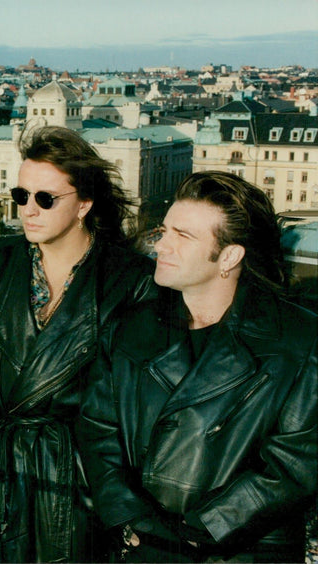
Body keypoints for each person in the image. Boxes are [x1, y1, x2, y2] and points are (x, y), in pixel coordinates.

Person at [76, 171, 317, 562]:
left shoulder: (300, 341)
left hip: (240, 552)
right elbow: (97, 432)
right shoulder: (130, 328)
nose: (161, 244)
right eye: (164, 230)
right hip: (142, 547)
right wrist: (133, 519)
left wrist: (196, 532)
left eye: (183, 236)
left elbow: (295, 464)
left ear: (229, 256)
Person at [0, 126, 154, 562]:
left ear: (84, 205)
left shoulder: (130, 280)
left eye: (45, 198)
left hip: (78, 484)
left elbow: (136, 408)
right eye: (21, 196)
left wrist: (117, 500)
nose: (28, 210)